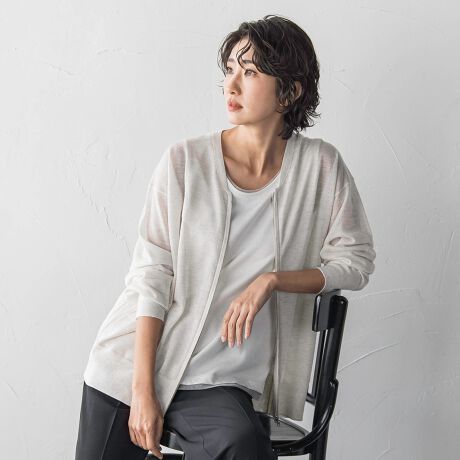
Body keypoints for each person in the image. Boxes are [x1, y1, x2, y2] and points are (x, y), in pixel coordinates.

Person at [75, 14, 376, 460]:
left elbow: (356, 259)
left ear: (290, 91)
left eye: (249, 72)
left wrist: (273, 280)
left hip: (216, 384)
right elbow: (152, 276)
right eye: (230, 69)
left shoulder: (321, 168)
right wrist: (142, 391)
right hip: (134, 366)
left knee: (242, 442)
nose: (230, 85)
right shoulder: (184, 162)